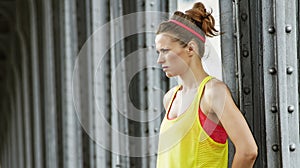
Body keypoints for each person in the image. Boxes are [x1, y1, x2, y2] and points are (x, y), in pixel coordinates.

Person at [155, 2, 258, 168]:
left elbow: (248, 151)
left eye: (165, 51)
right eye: (158, 52)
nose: (159, 60)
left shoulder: (212, 93)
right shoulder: (170, 98)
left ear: (190, 48)